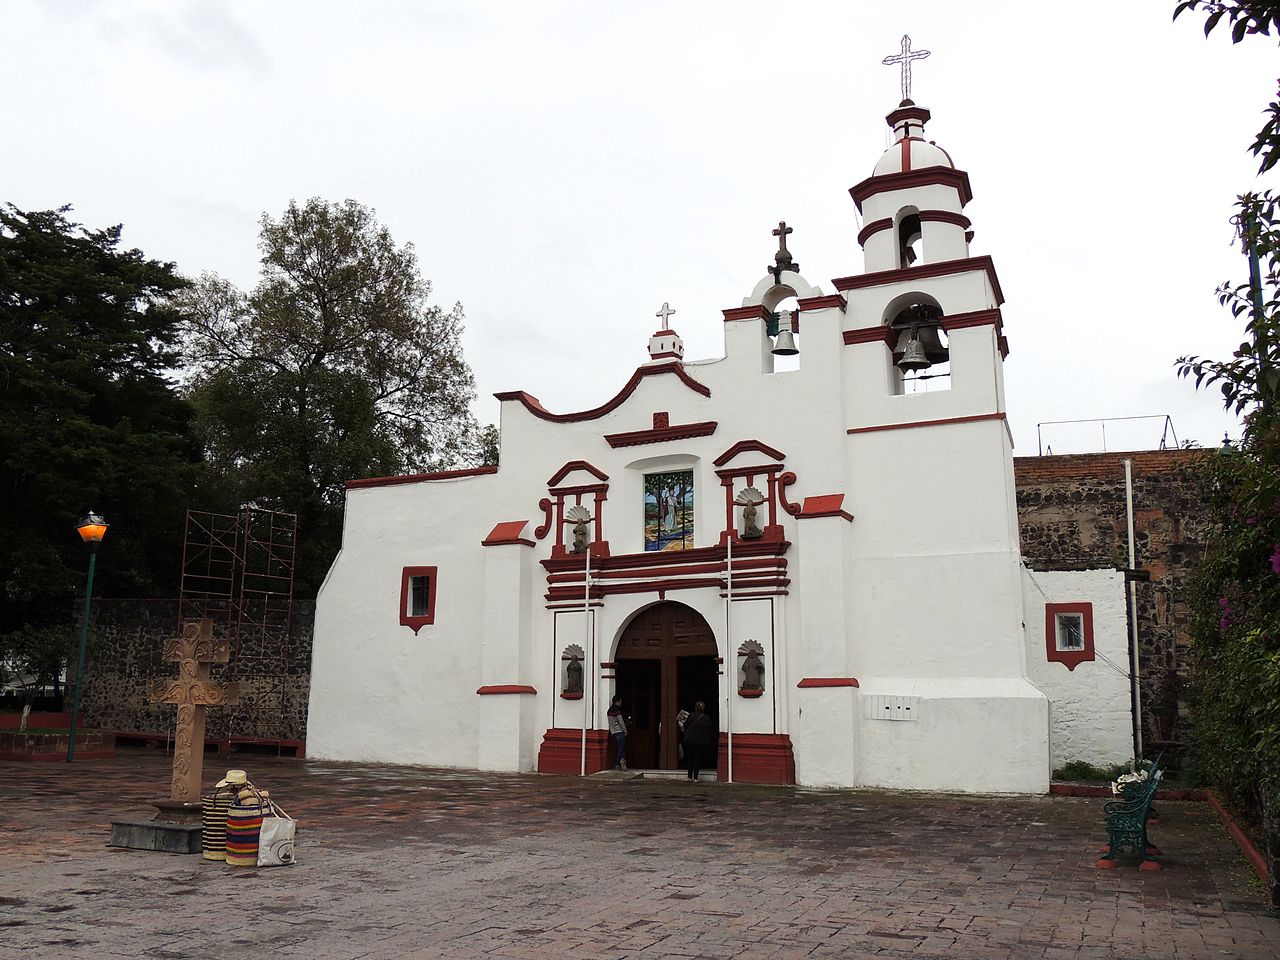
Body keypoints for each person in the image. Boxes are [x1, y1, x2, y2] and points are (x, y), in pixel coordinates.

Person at [682, 701, 714, 781]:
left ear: (695, 708)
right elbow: (710, 729)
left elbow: (685, 726)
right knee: (697, 758)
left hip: (690, 740)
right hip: (700, 741)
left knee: (690, 758)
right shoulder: (706, 718)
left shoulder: (691, 716)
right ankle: (695, 778)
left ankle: (689, 776)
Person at [607, 695, 628, 769]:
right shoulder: (618, 711)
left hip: (614, 733)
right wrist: (625, 730)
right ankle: (618, 763)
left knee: (620, 748)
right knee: (621, 748)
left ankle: (622, 760)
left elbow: (610, 723)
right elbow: (621, 722)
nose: (621, 703)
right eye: (620, 701)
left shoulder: (609, 711)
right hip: (620, 731)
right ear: (618, 701)